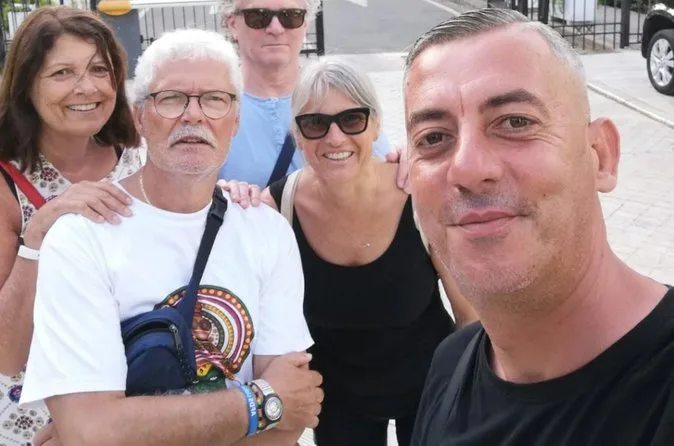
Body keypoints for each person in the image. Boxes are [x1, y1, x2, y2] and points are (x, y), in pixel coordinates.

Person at [19, 28, 323, 446]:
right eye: (171, 98)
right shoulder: (82, 237)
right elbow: (91, 430)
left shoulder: (267, 232)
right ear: (140, 117)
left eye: (214, 99)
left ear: (235, 120)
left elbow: (290, 420)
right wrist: (260, 403)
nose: (194, 115)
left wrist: (132, 426)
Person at [404, 8, 674, 446]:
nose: (467, 168)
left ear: (600, 156)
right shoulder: (450, 367)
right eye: (433, 138)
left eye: (515, 122)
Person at [257, 57, 476, 446]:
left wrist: (477, 395)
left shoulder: (418, 198)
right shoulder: (277, 209)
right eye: (315, 123)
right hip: (337, 401)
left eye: (352, 119)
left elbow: (469, 314)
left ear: (375, 125)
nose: (335, 138)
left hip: (432, 388)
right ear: (297, 135)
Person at [0, 7, 142, 444]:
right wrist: (39, 232)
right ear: (27, 86)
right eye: (62, 72)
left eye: (99, 69)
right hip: (41, 420)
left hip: (141, 403)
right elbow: (6, 353)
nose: (87, 87)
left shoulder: (141, 157)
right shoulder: (7, 183)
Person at [217, 0, 394, 190]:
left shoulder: (337, 92)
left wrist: (405, 165)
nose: (276, 28)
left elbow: (382, 169)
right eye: (259, 16)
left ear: (305, 23)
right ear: (233, 24)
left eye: (291, 16)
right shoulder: (211, 105)